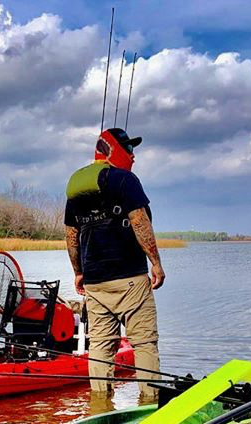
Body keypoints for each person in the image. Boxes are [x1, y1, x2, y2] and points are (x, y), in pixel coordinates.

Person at [64, 127, 164, 404]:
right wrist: (156, 263)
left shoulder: (76, 187)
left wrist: (78, 272)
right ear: (114, 149)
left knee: (100, 347)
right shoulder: (126, 180)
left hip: (95, 282)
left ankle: (100, 408)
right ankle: (149, 404)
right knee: (144, 343)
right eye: (130, 149)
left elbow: (71, 235)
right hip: (130, 279)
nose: (133, 156)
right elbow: (140, 222)